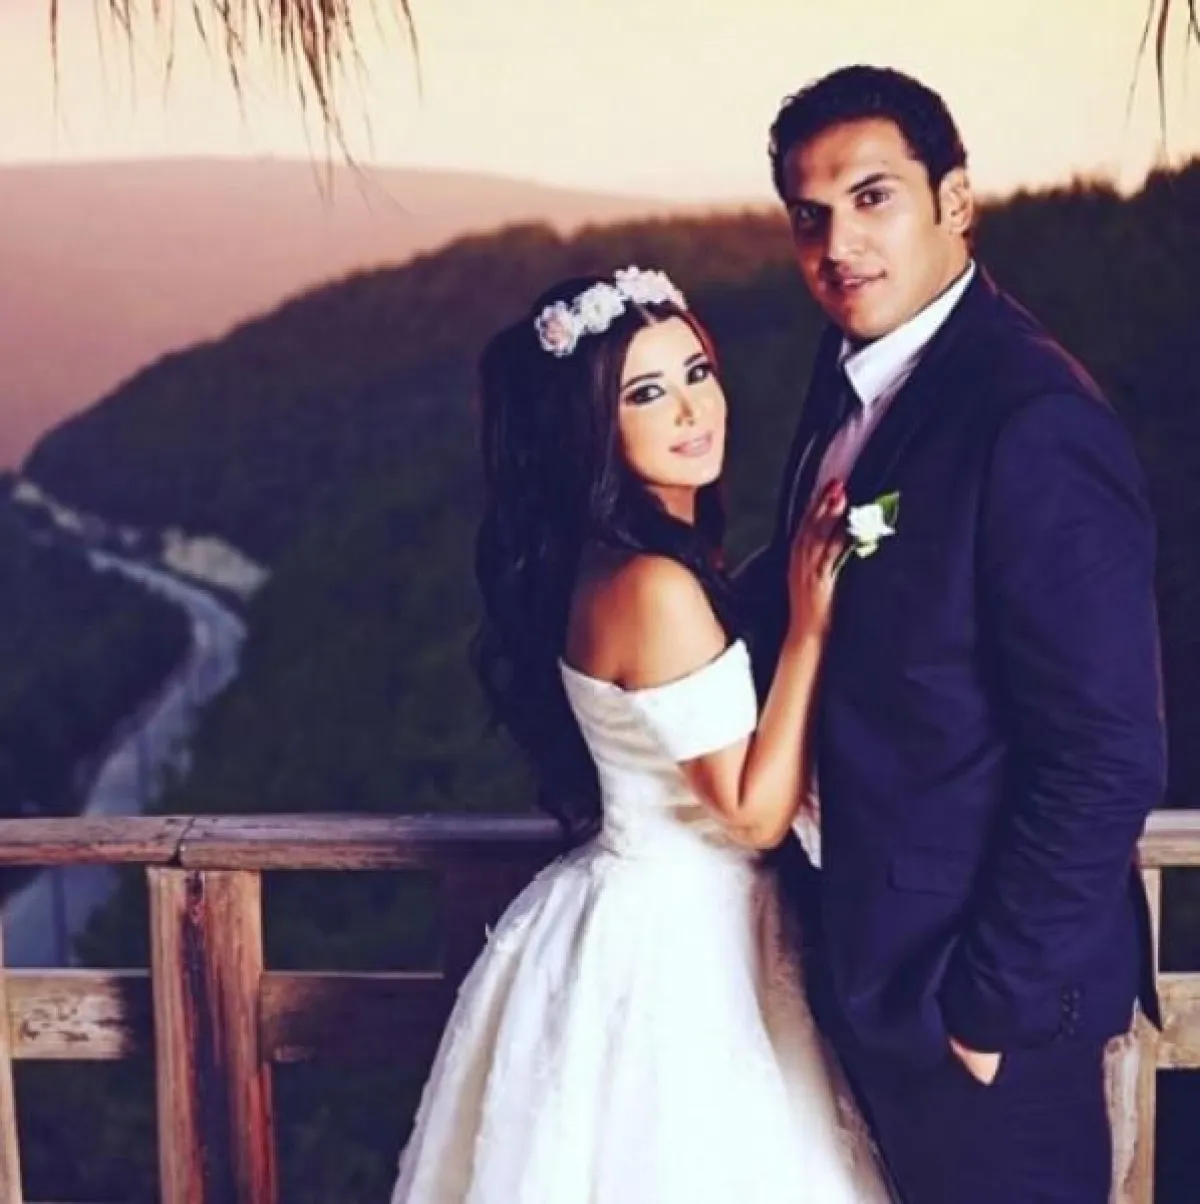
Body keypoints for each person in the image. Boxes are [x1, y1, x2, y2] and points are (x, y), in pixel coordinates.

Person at [739, 65, 1166, 1204]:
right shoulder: (851, 376)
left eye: (872, 198)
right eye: (810, 215)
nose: (839, 244)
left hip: (984, 1019)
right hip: (866, 968)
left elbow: (1106, 753)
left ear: (956, 200)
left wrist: (984, 1011)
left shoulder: (1032, 419)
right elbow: (808, 586)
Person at [388, 266, 893, 1203]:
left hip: (658, 910)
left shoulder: (618, 563)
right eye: (646, 394)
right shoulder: (653, 587)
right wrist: (811, 628)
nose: (692, 410)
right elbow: (752, 815)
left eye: (697, 373)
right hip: (675, 944)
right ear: (592, 428)